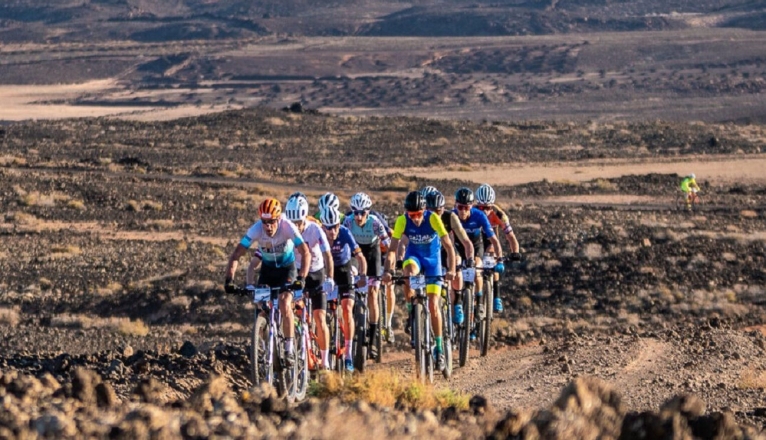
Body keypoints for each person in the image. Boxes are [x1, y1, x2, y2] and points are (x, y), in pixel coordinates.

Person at [224, 198, 311, 364]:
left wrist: (302, 277)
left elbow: (305, 252)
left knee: (285, 302)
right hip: (268, 271)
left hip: (287, 269)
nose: (268, 226)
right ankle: (265, 345)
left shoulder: (287, 227)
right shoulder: (256, 230)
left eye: (271, 222)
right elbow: (237, 254)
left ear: (278, 219)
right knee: (261, 307)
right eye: (264, 222)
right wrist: (229, 279)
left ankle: (289, 349)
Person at [383, 191, 456, 371]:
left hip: (433, 261)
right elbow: (392, 250)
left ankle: (439, 349)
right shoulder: (402, 220)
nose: (415, 219)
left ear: (424, 211)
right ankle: (412, 310)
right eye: (412, 215)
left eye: (418, 214)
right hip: (414, 257)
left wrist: (452, 269)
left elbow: (448, 246)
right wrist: (388, 271)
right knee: (408, 273)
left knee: (433, 305)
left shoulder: (433, 218)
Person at [283, 196, 334, 369]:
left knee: (320, 318)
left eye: (298, 222)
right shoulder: (286, 228)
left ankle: (325, 361)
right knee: (293, 309)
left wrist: (330, 278)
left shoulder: (315, 229)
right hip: (298, 272)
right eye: (292, 222)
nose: (295, 226)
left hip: (316, 272)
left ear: (304, 217)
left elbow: (328, 255)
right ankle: (298, 340)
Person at [320, 206, 368, 372]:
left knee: (347, 309)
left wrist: (362, 276)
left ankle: (348, 353)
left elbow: (360, 257)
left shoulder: (345, 233)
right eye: (328, 228)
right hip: (326, 271)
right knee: (319, 311)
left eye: (335, 227)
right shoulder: (319, 234)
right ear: (323, 227)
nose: (332, 231)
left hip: (344, 269)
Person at [342, 192, 391, 348]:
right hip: (356, 252)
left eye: (362, 212)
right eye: (356, 212)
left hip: (372, 252)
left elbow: (388, 244)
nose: (359, 216)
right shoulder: (348, 222)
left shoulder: (375, 222)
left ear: (368, 212)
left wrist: (390, 264)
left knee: (372, 293)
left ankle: (374, 331)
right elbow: (341, 241)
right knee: (351, 280)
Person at [452, 187, 503, 325]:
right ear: (455, 205)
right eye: (460, 207)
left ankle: (480, 302)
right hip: (458, 248)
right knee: (456, 271)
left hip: (476, 246)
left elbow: (493, 239)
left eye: (466, 207)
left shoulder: (479, 216)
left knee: (477, 269)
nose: (463, 211)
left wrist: (500, 259)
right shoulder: (452, 216)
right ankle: (458, 304)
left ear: (471, 207)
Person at [425, 190, 475, 325]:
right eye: (431, 211)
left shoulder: (450, 217)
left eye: (438, 211)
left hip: (448, 251)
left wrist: (470, 258)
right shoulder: (422, 219)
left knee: (457, 264)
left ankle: (458, 301)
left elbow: (466, 241)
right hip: (431, 254)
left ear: (443, 209)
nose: (435, 215)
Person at [474, 184, 522, 312]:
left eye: (488, 207)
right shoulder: (471, 211)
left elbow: (511, 236)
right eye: (481, 207)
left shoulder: (499, 215)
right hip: (476, 241)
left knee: (492, 257)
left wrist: (515, 252)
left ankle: (496, 296)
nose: (484, 211)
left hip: (490, 241)